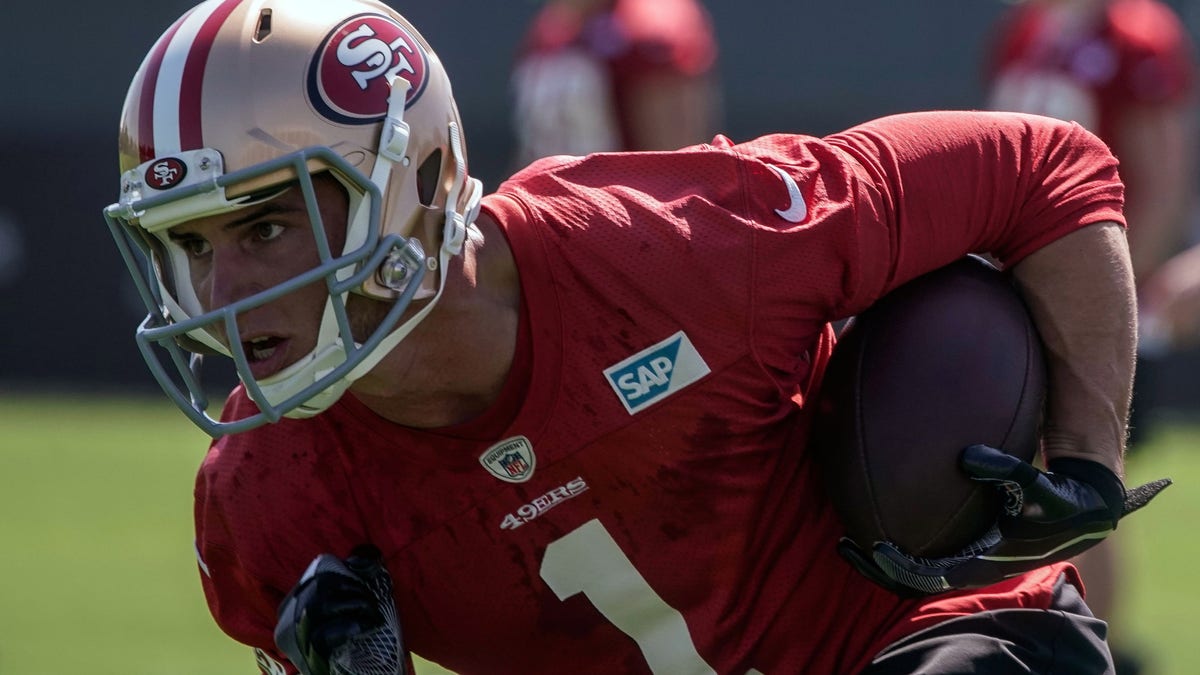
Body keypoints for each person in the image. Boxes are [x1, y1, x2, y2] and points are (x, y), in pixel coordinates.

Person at [104, 1, 1169, 673]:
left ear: (413, 183)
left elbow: (1047, 168)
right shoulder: (264, 497)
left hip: (926, 635)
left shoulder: (671, 246)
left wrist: (1083, 456)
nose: (223, 288)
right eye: (189, 243)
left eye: (266, 222)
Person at [984, 2, 1198, 670]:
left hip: (1085, 288)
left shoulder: (1138, 36)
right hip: (1022, 283)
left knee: (1078, 472)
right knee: (1027, 476)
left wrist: (1111, 299)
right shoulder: (1027, 28)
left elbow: (1159, 184)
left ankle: (1094, 644)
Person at [509, 0, 720, 165]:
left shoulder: (649, 27)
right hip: (548, 206)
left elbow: (676, 164)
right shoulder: (552, 26)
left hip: (619, 212)